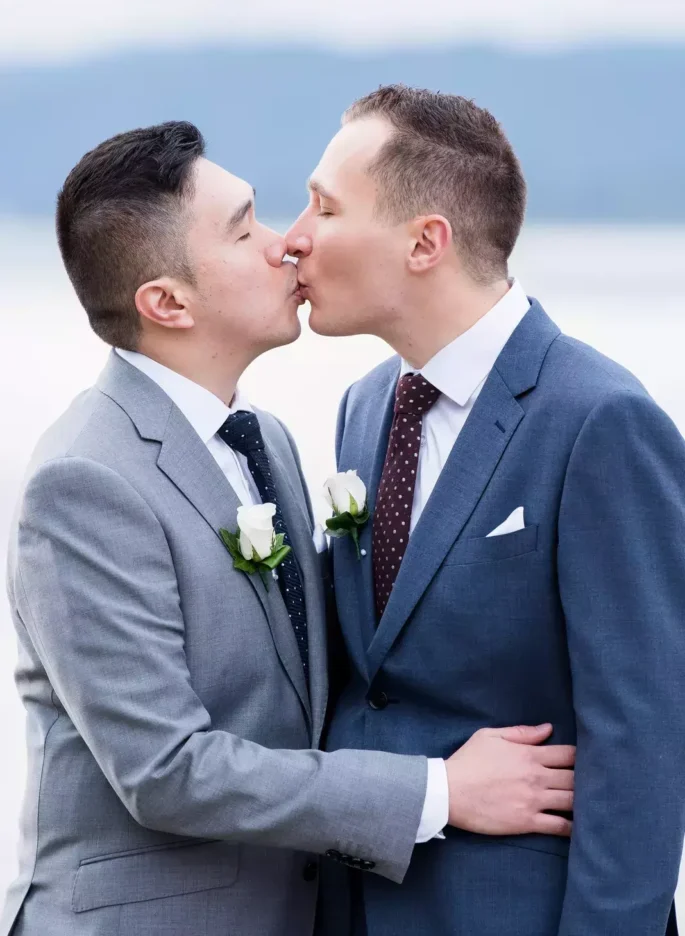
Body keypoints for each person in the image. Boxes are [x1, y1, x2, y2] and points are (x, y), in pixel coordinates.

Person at [2, 122, 574, 936]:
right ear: (167, 302)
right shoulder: (85, 480)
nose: (288, 246)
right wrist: (441, 791)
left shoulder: (262, 439)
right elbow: (167, 771)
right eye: (245, 229)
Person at [287, 85, 685, 936]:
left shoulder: (599, 420)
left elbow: (643, 740)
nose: (294, 237)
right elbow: (376, 688)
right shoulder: (363, 408)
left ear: (424, 241)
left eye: (324, 207)